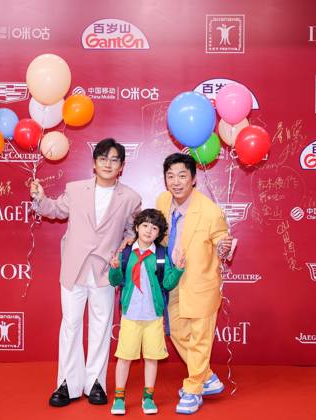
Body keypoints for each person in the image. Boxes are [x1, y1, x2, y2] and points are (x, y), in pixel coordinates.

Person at [30, 138, 142, 407]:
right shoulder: (75, 189)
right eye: (103, 158)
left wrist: (122, 248)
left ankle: (96, 383)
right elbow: (55, 211)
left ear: (122, 166)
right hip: (74, 267)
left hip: (105, 269)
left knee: (102, 326)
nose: (108, 163)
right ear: (94, 164)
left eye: (114, 160)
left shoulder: (131, 198)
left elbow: (132, 230)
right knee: (70, 325)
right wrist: (40, 198)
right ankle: (66, 383)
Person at [155, 153, 233, 415]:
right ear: (165, 179)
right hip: (173, 281)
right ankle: (206, 376)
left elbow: (223, 238)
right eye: (170, 176)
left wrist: (224, 246)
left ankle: (193, 388)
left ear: (194, 179)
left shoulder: (210, 211)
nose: (176, 182)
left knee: (200, 340)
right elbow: (161, 235)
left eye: (182, 176)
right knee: (176, 332)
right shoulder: (163, 201)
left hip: (201, 284)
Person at [108, 209, 185, 415]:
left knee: (151, 357)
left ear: (159, 233)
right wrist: (115, 268)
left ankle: (148, 397)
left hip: (154, 317)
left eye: (154, 227)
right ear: (136, 227)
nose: (149, 230)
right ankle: (119, 397)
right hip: (130, 316)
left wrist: (177, 269)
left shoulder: (160, 255)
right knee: (124, 357)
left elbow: (167, 284)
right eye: (145, 225)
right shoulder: (125, 253)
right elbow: (116, 281)